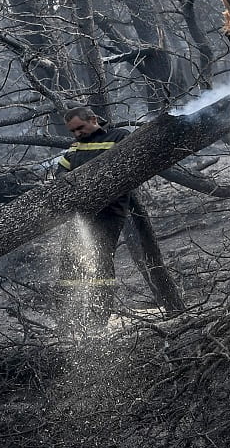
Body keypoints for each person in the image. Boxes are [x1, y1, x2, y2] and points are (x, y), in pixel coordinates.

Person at [57, 107, 186, 313]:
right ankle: (67, 309)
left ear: (93, 119)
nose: (77, 134)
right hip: (80, 213)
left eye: (79, 128)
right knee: (69, 258)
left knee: (100, 257)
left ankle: (101, 309)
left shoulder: (119, 137)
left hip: (110, 211)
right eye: (72, 131)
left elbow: (129, 167)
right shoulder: (75, 147)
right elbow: (61, 172)